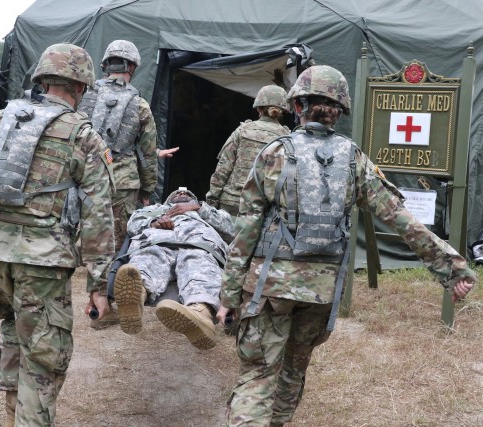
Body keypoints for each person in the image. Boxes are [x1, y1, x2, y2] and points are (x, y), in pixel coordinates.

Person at [215, 65, 477, 427]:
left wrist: (229, 294)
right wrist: (451, 266)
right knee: (292, 373)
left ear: (298, 106)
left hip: (270, 287)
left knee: (260, 374)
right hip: (320, 293)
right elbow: (400, 219)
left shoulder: (274, 152)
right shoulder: (355, 159)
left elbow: (246, 231)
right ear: (339, 109)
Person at [0, 43, 115, 427]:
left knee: (15, 330)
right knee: (45, 357)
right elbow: (99, 212)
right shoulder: (83, 135)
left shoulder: (0, 120)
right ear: (81, 87)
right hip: (43, 261)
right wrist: (99, 282)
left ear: (42, 79)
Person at [113, 187, 234, 349]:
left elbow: (230, 228)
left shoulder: (208, 211)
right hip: (159, 237)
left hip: (198, 239)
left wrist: (199, 207)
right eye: (177, 193)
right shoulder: (154, 210)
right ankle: (137, 295)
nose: (182, 194)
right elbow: (133, 224)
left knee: (198, 260)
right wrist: (153, 222)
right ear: (168, 201)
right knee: (150, 254)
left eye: (187, 194)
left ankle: (201, 313)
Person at [78, 39, 158, 250]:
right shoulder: (139, 104)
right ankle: (107, 282)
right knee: (116, 243)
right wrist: (147, 191)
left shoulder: (83, 95)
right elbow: (148, 152)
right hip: (122, 184)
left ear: (105, 64)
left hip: (82, 178)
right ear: (132, 66)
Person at [206, 85, 291, 216]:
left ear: (258, 108)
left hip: (232, 202)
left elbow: (223, 169)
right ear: (283, 111)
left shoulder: (242, 130)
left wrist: (211, 202)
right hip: (264, 208)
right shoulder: (287, 138)